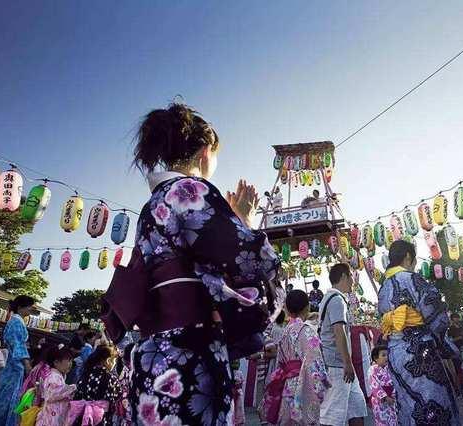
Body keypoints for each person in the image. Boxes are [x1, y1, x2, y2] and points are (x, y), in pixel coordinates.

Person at [121, 102, 280, 425]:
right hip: (189, 354)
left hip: (152, 352)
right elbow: (251, 261)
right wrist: (244, 221)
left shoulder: (150, 206)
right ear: (206, 151)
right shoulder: (190, 189)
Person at [377, 240, 460, 425]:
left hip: (395, 353)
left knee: (407, 404)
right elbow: (437, 317)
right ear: (408, 256)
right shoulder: (411, 279)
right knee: (433, 401)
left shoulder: (383, 288)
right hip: (420, 352)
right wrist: (445, 347)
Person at [260, 290, 329, 425]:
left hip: (287, 385)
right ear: (307, 307)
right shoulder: (306, 330)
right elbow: (314, 363)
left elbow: (280, 361)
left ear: (287, 309)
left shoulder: (286, 331)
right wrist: (321, 385)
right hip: (303, 386)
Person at [319, 264, 367, 425]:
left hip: (341, 365)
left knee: (357, 407)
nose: (353, 281)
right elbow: (338, 331)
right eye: (351, 277)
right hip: (338, 365)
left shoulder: (331, 298)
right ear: (344, 277)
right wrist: (347, 363)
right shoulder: (337, 300)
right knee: (333, 414)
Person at [0, 295, 35, 426]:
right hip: (14, 365)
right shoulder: (16, 322)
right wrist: (27, 363)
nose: (30, 310)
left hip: (12, 364)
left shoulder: (15, 321)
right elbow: (18, 344)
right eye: (29, 307)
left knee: (6, 395)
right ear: (20, 307)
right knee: (7, 396)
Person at [70, 345, 122, 426]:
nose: (114, 363)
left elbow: (77, 395)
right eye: (114, 360)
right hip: (102, 417)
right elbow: (117, 397)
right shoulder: (111, 378)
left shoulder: (85, 374)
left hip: (84, 415)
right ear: (108, 361)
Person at [35, 346, 76, 426]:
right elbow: (55, 393)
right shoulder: (54, 377)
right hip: (51, 418)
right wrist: (73, 388)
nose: (70, 364)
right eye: (68, 361)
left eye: (71, 360)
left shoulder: (58, 376)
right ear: (56, 362)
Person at [368, 345, 397, 426]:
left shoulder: (390, 368)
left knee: (394, 419)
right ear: (376, 358)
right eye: (383, 355)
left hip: (392, 397)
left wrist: (394, 394)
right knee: (382, 421)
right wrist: (384, 396)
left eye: (387, 355)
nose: (386, 357)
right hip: (379, 401)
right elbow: (374, 385)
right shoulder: (372, 369)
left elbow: (394, 382)